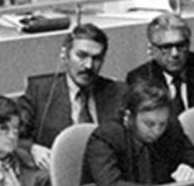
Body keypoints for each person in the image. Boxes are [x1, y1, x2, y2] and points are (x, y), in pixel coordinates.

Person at [84, 77, 194, 186]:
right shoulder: (105, 137)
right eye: (149, 124)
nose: (157, 131)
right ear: (128, 116)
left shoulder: (171, 129)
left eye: (162, 124)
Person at [18, 23, 125, 154]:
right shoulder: (39, 91)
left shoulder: (118, 92)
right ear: (65, 54)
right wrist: (33, 148)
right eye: (82, 56)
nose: (89, 65)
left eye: (96, 59)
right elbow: (16, 136)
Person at [128, 13, 194, 114]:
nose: (175, 54)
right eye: (166, 47)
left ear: (189, 44)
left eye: (181, 45)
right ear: (152, 49)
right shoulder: (141, 79)